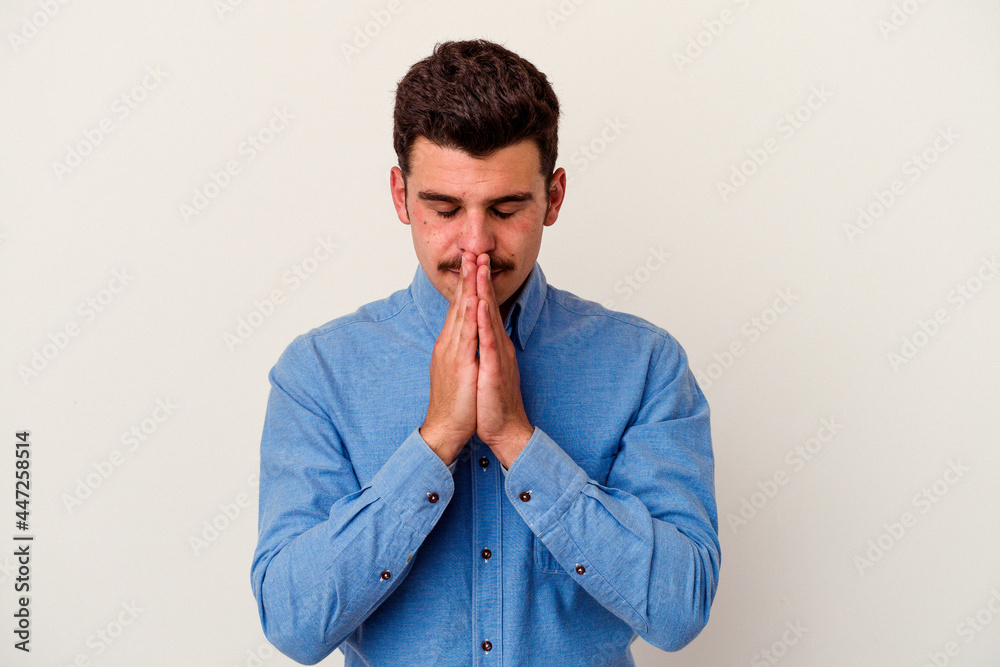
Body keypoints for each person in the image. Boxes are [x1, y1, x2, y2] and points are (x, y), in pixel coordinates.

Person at [251, 39, 720, 666]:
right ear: (400, 197)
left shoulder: (646, 366)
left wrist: (518, 443)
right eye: (444, 209)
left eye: (506, 208)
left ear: (553, 198)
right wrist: (436, 439)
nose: (476, 243)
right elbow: (293, 623)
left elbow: (678, 610)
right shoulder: (319, 373)